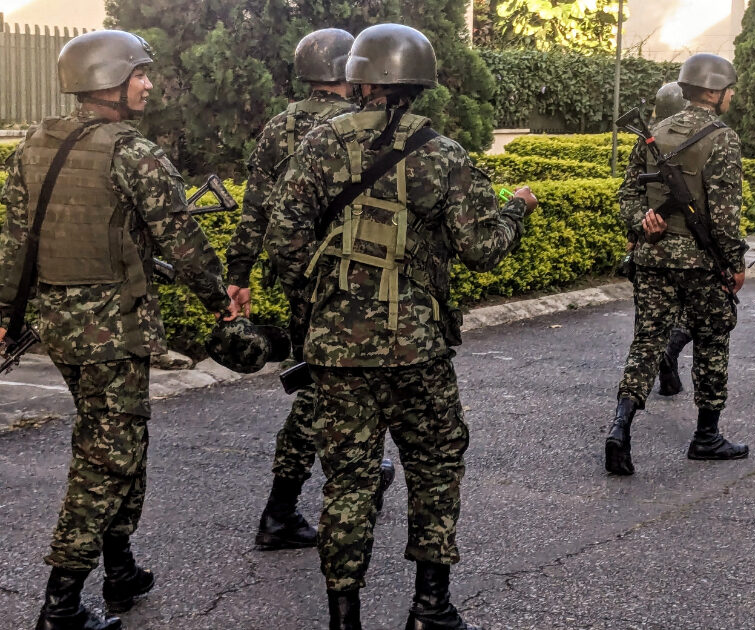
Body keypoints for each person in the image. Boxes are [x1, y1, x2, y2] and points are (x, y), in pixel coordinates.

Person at [264, 24, 537, 630]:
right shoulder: (443, 153)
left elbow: (283, 241)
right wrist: (517, 209)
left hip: (336, 351)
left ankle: (344, 618)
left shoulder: (319, 144)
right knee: (435, 464)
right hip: (417, 349)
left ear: (359, 78)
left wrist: (322, 302)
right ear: (419, 83)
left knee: (348, 480)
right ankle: (430, 607)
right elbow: (482, 249)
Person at [0, 30, 234, 629]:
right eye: (140, 74)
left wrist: (5, 315)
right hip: (112, 332)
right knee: (106, 459)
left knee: (119, 440)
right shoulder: (134, 154)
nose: (148, 84)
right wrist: (222, 304)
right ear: (109, 80)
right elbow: (183, 242)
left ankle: (121, 568)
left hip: (59, 329)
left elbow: (13, 243)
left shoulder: (33, 145)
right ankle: (61, 605)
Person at [223, 27, 396, 552]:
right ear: (350, 70)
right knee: (330, 388)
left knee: (320, 381)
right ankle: (287, 507)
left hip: (297, 277)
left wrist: (240, 273)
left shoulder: (280, 126)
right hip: (351, 280)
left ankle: (355, 475)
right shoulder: (360, 126)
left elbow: (255, 209)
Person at [606, 52, 749, 476]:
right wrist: (734, 263)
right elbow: (725, 215)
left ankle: (620, 427)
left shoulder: (654, 133)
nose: (731, 96)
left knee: (646, 343)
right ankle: (706, 437)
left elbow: (627, 195)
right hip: (701, 263)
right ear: (713, 91)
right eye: (729, 90)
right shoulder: (723, 138)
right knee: (712, 340)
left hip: (652, 259)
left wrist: (641, 220)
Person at [648, 80, 695, 398]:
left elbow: (630, 192)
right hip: (690, 245)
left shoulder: (649, 139)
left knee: (656, 317)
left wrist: (637, 231)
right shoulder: (704, 137)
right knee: (701, 310)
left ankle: (668, 376)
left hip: (651, 244)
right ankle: (671, 352)